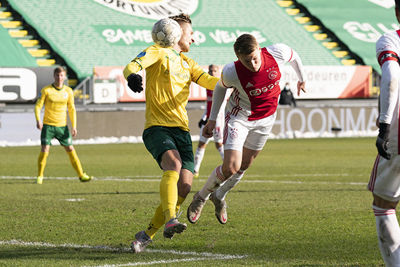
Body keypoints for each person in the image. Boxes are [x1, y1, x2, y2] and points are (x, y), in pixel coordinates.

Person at [123, 14, 218, 253]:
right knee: (173, 165)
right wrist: (132, 76)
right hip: (157, 127)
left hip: (182, 131)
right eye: (191, 34)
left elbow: (210, 81)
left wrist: (236, 82)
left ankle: (146, 235)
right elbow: (133, 65)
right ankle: (170, 219)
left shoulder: (188, 63)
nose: (194, 39)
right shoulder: (158, 51)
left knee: (185, 186)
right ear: (176, 33)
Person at [187, 33, 306, 225]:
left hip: (266, 120)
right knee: (231, 167)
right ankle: (200, 198)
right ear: (238, 58)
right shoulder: (231, 71)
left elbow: (294, 56)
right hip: (239, 118)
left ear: (259, 49)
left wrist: (302, 78)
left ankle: (220, 196)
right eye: (247, 61)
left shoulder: (277, 53)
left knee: (245, 165)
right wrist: (212, 119)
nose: (253, 64)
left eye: (255, 58)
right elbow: (219, 88)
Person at [368, 1, 400, 265]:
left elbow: (391, 74)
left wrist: (385, 125)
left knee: (384, 204)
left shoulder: (391, 40)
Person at [34, 66, 93, 184]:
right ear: (54, 76)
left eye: (61, 75)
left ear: (64, 77)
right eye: (57, 75)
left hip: (62, 126)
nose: (59, 78)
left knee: (70, 148)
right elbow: (38, 106)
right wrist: (38, 120)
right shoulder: (47, 90)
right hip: (48, 126)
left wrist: (74, 126)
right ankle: (40, 176)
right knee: (45, 149)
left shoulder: (68, 91)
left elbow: (71, 109)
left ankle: (81, 175)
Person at [193, 64, 226, 178]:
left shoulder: (222, 85)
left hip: (217, 121)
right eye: (210, 71)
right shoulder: (208, 86)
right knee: (201, 144)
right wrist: (204, 117)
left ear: (219, 72)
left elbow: (221, 106)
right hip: (208, 119)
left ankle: (229, 166)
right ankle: (195, 170)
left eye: (215, 71)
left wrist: (217, 120)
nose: (212, 73)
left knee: (219, 144)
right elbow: (209, 105)